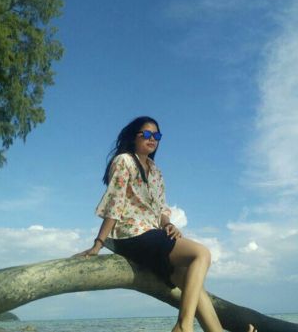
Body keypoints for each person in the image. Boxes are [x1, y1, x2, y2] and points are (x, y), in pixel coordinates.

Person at [73, 116, 256, 332]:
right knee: (201, 254)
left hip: (152, 235)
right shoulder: (124, 161)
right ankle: (183, 325)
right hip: (131, 235)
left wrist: (168, 224)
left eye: (157, 135)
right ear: (134, 137)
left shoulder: (156, 171)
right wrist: (98, 243)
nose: (152, 139)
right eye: (147, 134)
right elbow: (115, 203)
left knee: (191, 284)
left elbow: (161, 209)